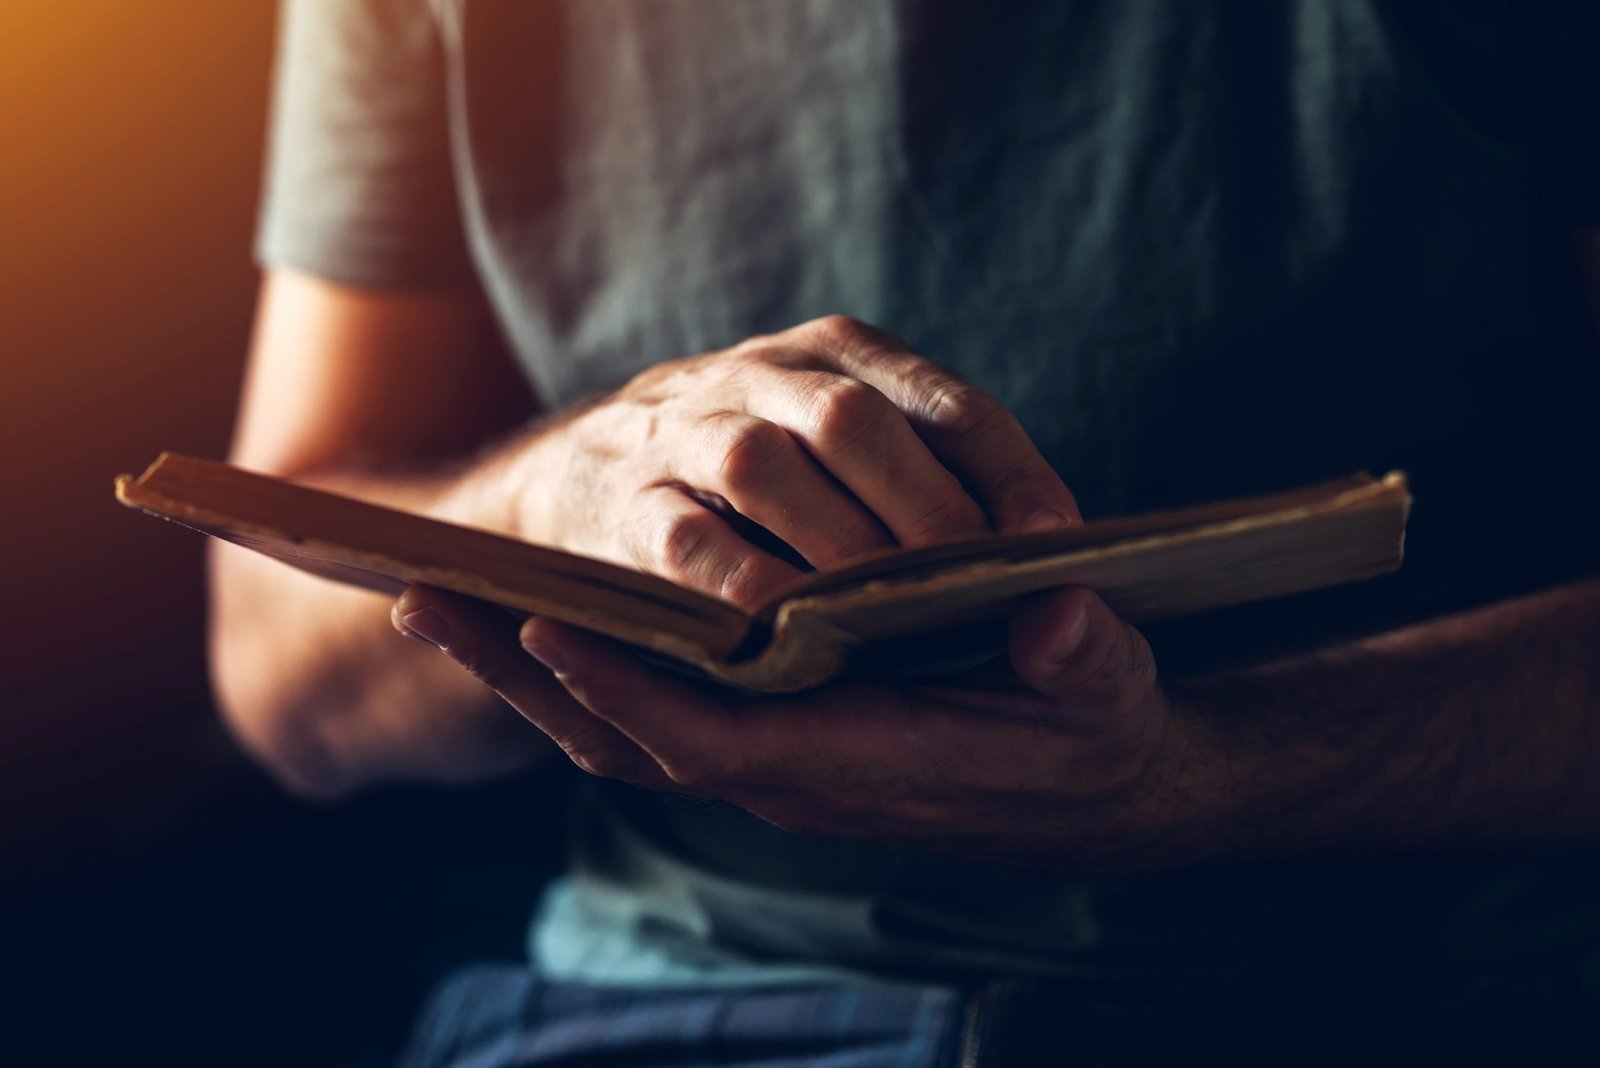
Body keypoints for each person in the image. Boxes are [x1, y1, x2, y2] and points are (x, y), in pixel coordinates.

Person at [214, 1, 1600, 1063]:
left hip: (1399, 999)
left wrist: (1213, 774)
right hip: (663, 1005)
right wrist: (538, 511)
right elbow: (280, 669)